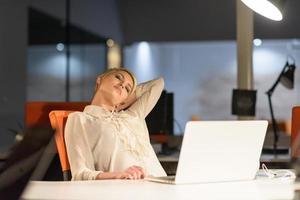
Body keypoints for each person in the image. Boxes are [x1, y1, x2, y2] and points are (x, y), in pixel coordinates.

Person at [65, 68, 167, 180]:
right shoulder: (80, 118)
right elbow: (80, 174)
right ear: (99, 80)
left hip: (166, 185)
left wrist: (124, 100)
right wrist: (118, 175)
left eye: (128, 88)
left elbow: (158, 83)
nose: (123, 85)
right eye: (118, 77)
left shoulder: (133, 115)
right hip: (129, 190)